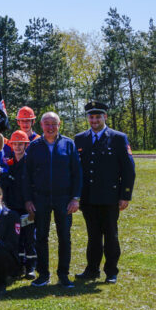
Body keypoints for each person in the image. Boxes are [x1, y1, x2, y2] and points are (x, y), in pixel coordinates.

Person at [74, 101, 135, 284]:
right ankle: (92, 270)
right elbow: (76, 169)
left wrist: (125, 195)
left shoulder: (118, 138)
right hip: (89, 198)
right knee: (93, 236)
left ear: (105, 117)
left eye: (98, 117)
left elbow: (128, 169)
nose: (94, 120)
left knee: (110, 235)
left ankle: (111, 271)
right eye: (91, 117)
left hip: (110, 197)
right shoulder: (80, 138)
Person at [23, 111, 82, 288]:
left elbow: (77, 173)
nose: (50, 127)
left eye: (53, 124)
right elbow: (27, 175)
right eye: (46, 124)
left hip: (64, 198)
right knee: (41, 237)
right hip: (40, 198)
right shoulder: (34, 146)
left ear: (59, 124)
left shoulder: (68, 144)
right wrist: (28, 200)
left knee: (64, 236)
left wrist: (75, 198)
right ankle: (43, 275)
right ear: (41, 125)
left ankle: (63, 275)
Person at [0, 131, 36, 279]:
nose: (18, 147)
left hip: (27, 206)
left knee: (29, 237)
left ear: (26, 145)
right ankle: (18, 265)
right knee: (16, 238)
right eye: (15, 144)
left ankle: (31, 267)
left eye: (21, 144)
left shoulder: (31, 163)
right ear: (11, 145)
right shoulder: (8, 164)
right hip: (13, 207)